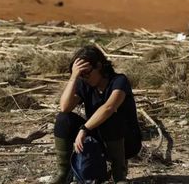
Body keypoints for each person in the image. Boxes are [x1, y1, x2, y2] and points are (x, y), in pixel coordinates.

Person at [51, 46, 142, 184]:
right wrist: (74, 78)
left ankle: (119, 175)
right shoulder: (85, 84)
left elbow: (109, 107)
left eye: (86, 72)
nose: (84, 77)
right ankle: (64, 173)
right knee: (64, 119)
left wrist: (84, 129)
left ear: (99, 66)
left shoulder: (119, 81)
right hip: (99, 139)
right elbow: (64, 107)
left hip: (126, 141)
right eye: (81, 74)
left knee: (110, 117)